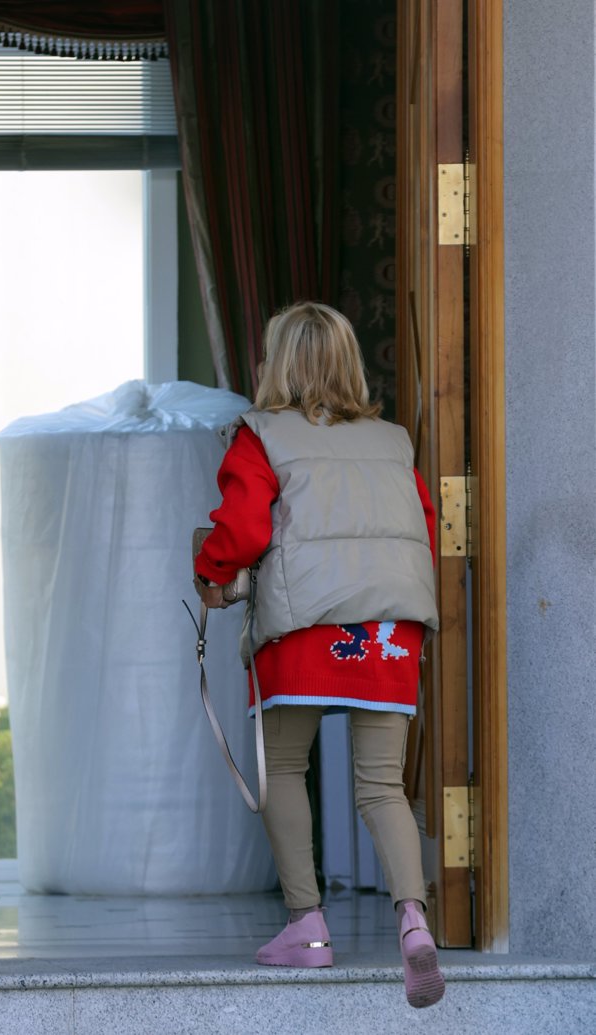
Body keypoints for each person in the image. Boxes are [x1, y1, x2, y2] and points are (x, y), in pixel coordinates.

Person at [194, 301, 445, 1009]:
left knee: (284, 768)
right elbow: (420, 526)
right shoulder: (394, 441)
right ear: (347, 362)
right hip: (389, 629)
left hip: (304, 624)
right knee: (381, 786)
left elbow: (240, 530)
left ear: (276, 364)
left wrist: (210, 575)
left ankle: (307, 926)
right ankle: (414, 919)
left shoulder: (261, 436)